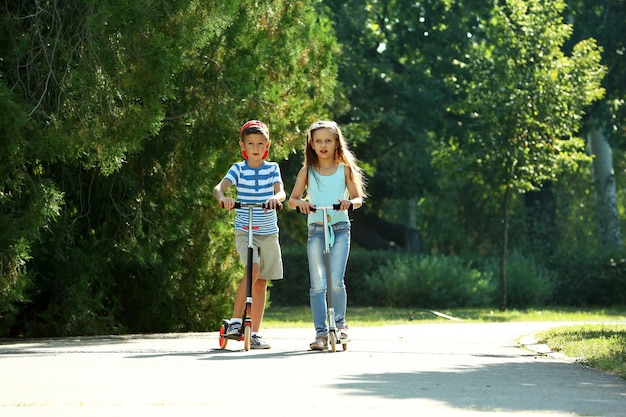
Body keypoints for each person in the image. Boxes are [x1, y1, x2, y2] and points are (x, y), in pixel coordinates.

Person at [288, 120, 367, 350]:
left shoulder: (344, 169)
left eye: (328, 141)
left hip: (340, 228)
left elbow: (358, 199)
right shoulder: (307, 171)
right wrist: (301, 204)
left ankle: (340, 325)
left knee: (335, 280)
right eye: (318, 141)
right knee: (317, 284)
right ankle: (321, 333)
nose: (323, 145)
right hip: (316, 229)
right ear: (311, 144)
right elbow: (292, 200)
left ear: (336, 143)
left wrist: (348, 203)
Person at [213, 120, 285, 349]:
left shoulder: (272, 168)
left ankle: (254, 333)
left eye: (260, 143)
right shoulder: (238, 168)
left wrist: (276, 198)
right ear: (243, 145)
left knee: (261, 281)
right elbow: (218, 188)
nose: (256, 148)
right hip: (246, 229)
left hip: (268, 231)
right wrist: (224, 199)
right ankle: (235, 321)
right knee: (252, 268)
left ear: (267, 146)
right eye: (251, 143)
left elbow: (281, 190)